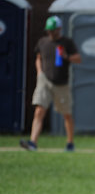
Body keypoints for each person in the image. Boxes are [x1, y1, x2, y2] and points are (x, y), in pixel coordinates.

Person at [20, 16, 82, 152]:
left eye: (53, 30)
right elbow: (38, 58)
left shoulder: (67, 42)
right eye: (49, 30)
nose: (50, 33)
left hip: (62, 83)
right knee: (39, 110)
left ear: (59, 29)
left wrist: (66, 56)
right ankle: (32, 143)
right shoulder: (42, 42)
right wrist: (39, 72)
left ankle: (70, 143)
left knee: (67, 114)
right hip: (45, 80)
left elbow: (78, 59)